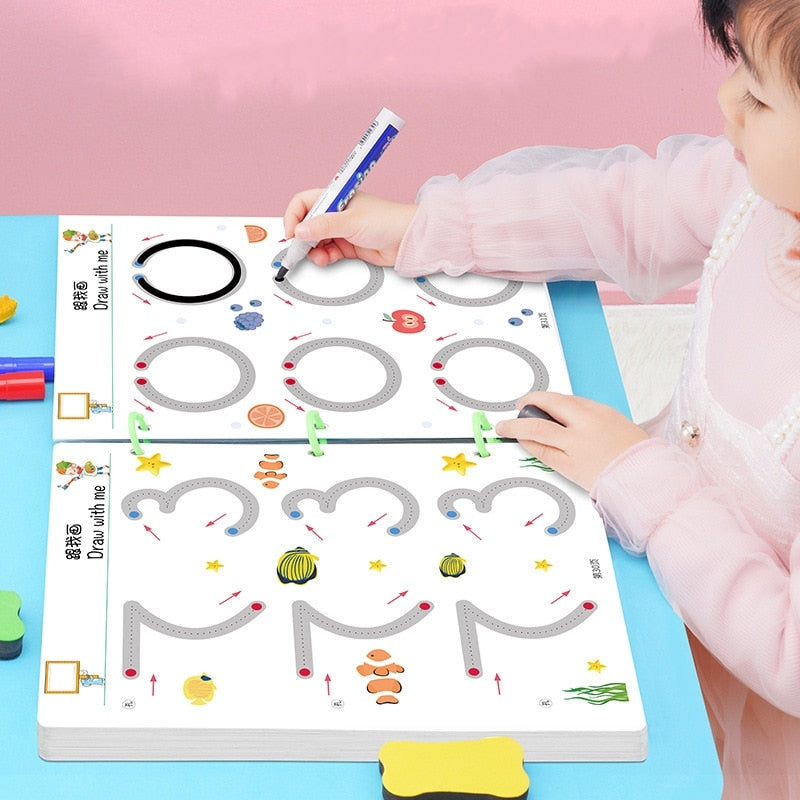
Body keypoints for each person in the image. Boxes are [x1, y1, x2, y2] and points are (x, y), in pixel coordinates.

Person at [283, 1, 800, 796]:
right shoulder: (757, 196)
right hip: (641, 590)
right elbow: (624, 207)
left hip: (745, 722)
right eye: (738, 67)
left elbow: (789, 652)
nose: (727, 100)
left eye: (759, 95)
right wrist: (428, 228)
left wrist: (644, 477)